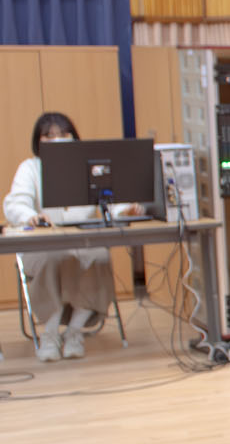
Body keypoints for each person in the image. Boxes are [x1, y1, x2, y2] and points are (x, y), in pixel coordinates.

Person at [3, 112, 138, 362]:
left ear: (74, 136)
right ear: (38, 141)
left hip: (83, 242)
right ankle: (50, 333)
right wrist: (31, 216)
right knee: (56, 256)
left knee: (99, 256)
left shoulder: (89, 166)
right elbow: (15, 203)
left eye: (63, 134)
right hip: (43, 244)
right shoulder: (30, 168)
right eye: (49, 135)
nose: (57, 139)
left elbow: (109, 201)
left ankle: (75, 331)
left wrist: (126, 209)